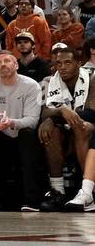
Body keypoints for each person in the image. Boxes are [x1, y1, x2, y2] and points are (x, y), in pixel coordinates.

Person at [0, 51, 43, 211]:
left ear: (16, 65)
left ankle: (31, 201)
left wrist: (11, 122)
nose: (3, 64)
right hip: (1, 136)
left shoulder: (31, 86)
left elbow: (32, 120)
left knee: (27, 133)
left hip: (22, 137)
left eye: (7, 61)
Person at [37, 44, 90, 211]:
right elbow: (45, 111)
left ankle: (88, 189)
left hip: (88, 128)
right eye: (58, 63)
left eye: (67, 63)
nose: (62, 67)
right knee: (49, 130)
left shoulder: (92, 78)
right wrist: (59, 112)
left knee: (81, 127)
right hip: (67, 129)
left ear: (78, 63)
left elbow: (90, 112)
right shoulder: (51, 80)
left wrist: (57, 117)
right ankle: (57, 192)